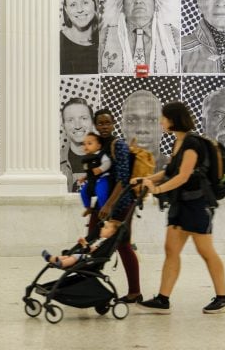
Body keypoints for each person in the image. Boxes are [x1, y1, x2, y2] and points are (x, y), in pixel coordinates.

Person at [136, 101, 225, 315]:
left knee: (206, 251)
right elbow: (170, 171)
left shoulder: (192, 144)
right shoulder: (178, 143)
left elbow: (183, 176)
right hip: (181, 205)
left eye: (163, 118)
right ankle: (163, 299)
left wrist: (157, 191)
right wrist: (145, 178)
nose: (161, 122)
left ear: (173, 119)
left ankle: (223, 298)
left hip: (197, 205)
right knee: (171, 250)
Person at [87, 108, 141, 303]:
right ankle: (88, 288)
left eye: (107, 123)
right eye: (100, 123)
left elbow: (123, 179)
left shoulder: (118, 146)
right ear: (95, 125)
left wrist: (110, 204)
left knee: (123, 246)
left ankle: (135, 292)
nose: (104, 126)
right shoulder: (97, 145)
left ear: (113, 123)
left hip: (121, 205)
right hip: (101, 205)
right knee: (90, 244)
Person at [98, 0, 180, 74]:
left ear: (156, 3)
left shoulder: (174, 36)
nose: (138, 1)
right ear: (122, 5)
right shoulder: (105, 35)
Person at [41, 219, 121, 269]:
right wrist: (83, 244)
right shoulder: (99, 239)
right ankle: (51, 258)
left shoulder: (103, 242)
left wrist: (84, 243)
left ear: (112, 234)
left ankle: (62, 264)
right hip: (85, 256)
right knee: (68, 256)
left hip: (89, 259)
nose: (102, 228)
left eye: (105, 228)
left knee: (76, 256)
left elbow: (91, 250)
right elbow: (88, 248)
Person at [60, 0, 100, 75]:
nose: (79, 9)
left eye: (85, 3)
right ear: (66, 9)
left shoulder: (107, 41)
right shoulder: (57, 43)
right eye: (73, 5)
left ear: (94, 4)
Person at [121, 89, 163, 169]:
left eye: (152, 120)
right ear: (122, 127)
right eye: (132, 120)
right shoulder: (116, 167)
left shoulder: (173, 168)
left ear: (162, 126)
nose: (142, 129)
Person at [60, 97, 94, 192]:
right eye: (70, 120)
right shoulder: (54, 163)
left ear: (92, 122)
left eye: (83, 118)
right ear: (63, 126)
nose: (78, 126)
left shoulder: (108, 159)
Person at [78, 133, 112, 216]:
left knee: (101, 192)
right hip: (91, 180)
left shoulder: (100, 155)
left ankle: (102, 208)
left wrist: (101, 169)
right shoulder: (87, 158)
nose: (86, 146)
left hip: (102, 178)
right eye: (84, 144)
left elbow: (108, 163)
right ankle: (88, 207)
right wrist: (84, 178)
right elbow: (90, 172)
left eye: (89, 143)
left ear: (98, 146)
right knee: (83, 192)